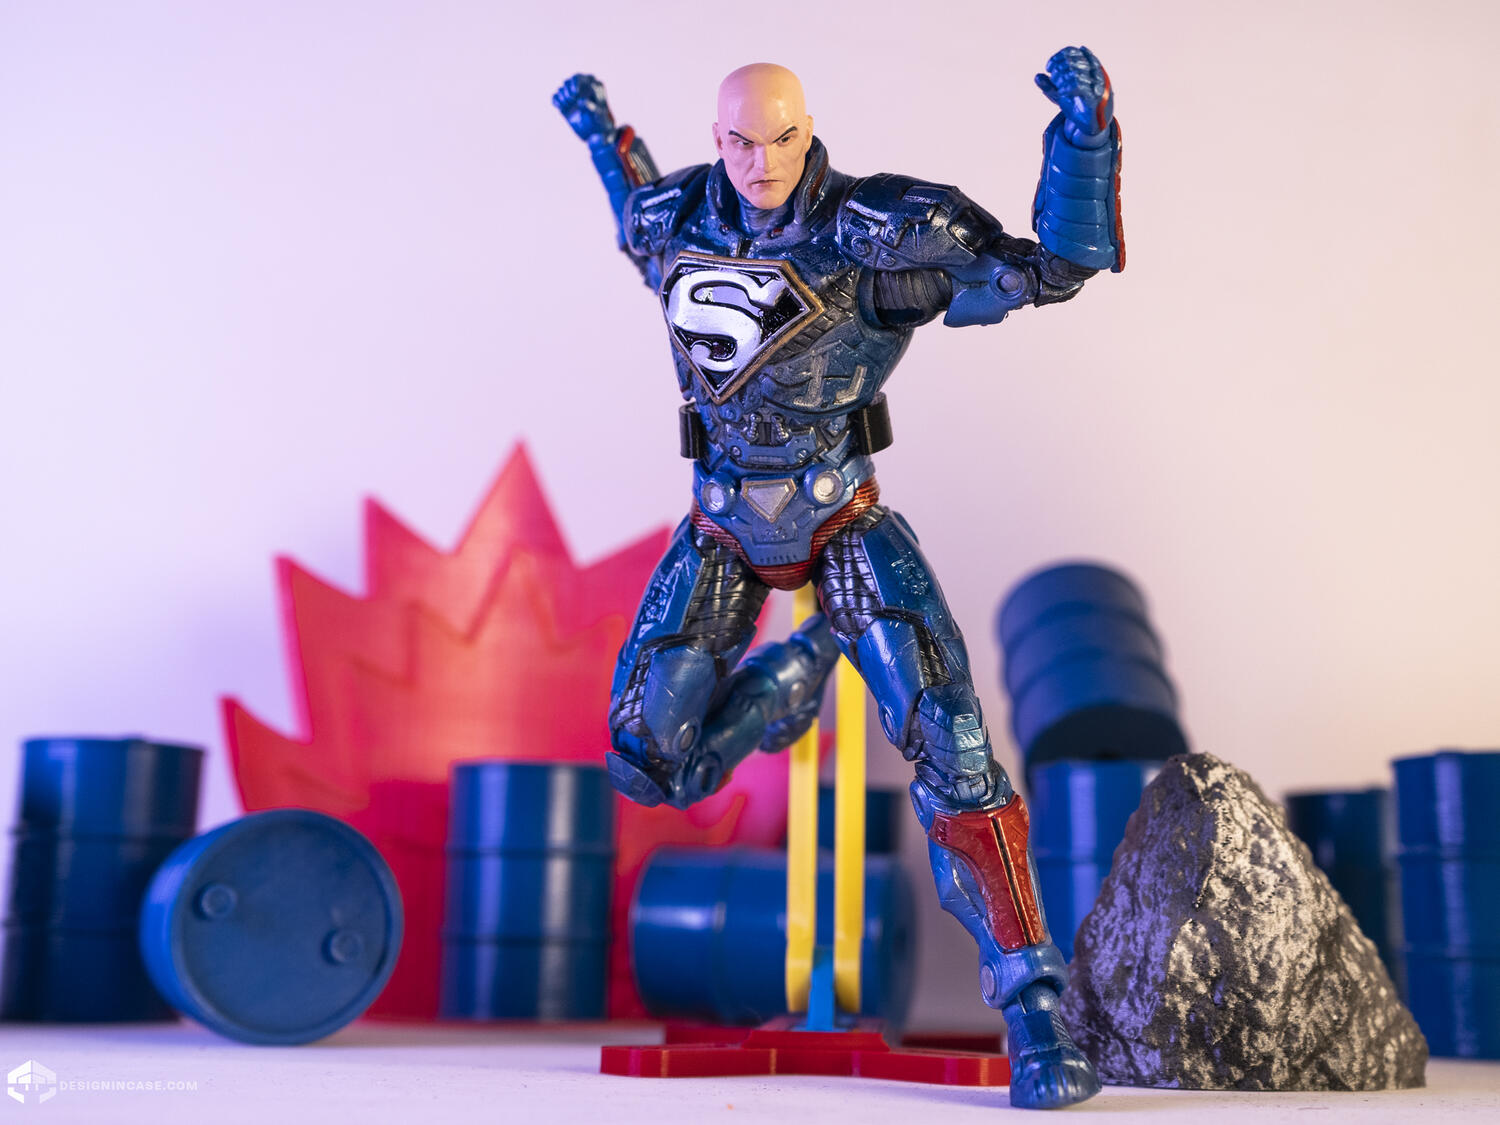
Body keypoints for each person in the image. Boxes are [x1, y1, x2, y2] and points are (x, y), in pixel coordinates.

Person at [555, 51, 1123, 1110]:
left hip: (843, 515)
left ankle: (1037, 1010)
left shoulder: (877, 231)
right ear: (717, 141)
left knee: (952, 742)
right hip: (720, 523)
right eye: (740, 142)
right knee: (646, 762)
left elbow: (1051, 268)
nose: (761, 162)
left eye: (781, 138)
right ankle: (792, 679)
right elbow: (635, 216)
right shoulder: (678, 217)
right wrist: (600, 136)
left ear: (808, 130)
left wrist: (1083, 136)